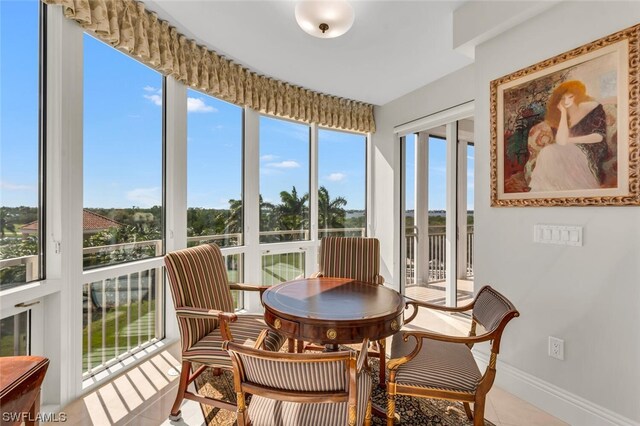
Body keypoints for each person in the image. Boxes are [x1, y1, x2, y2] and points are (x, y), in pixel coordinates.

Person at [528, 80, 609, 192]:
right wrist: (563, 113)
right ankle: (550, 192)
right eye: (562, 98)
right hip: (567, 149)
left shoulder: (592, 108)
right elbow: (561, 142)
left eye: (570, 97)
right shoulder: (558, 116)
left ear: (578, 96)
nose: (566, 101)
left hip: (590, 150)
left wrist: (570, 140)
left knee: (550, 152)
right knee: (547, 151)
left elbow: (599, 136)